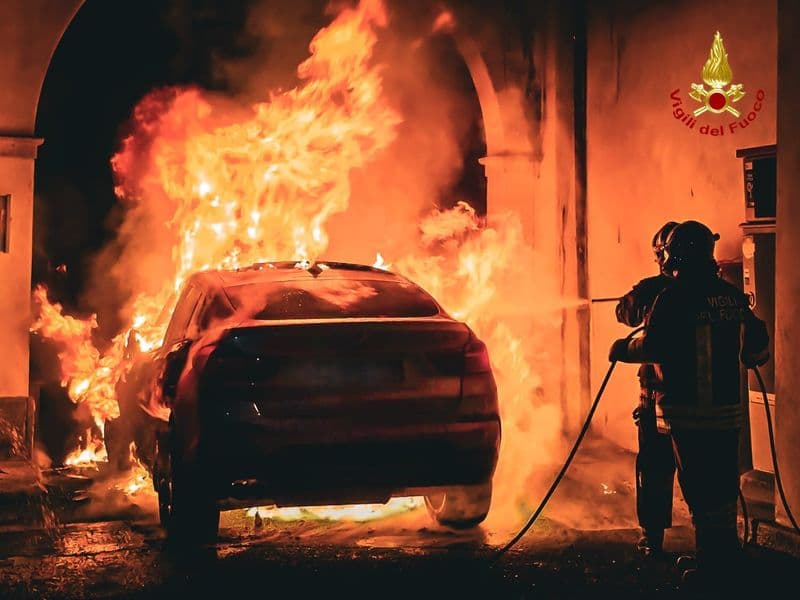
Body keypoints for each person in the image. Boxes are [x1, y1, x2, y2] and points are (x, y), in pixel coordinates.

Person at [608, 220, 769, 588]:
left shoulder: (670, 296)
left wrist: (621, 349)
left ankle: (711, 570)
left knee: (697, 491)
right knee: (721, 490)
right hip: (726, 414)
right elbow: (757, 347)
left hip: (684, 413)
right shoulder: (730, 295)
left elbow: (654, 345)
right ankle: (723, 557)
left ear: (671, 256)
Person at [615, 221, 678, 558]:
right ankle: (712, 547)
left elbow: (623, 314)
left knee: (653, 465)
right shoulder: (720, 290)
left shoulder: (657, 292)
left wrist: (622, 350)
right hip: (708, 403)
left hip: (659, 396)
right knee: (703, 473)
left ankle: (653, 538)